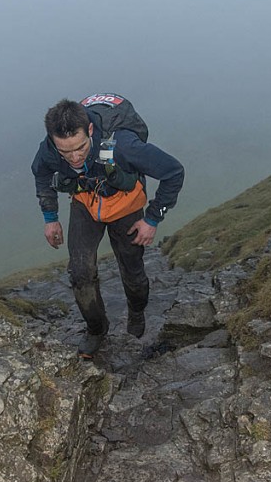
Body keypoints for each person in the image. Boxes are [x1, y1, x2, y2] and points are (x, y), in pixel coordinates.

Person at [31, 94, 184, 359]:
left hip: (125, 205)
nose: (75, 157)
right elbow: (42, 174)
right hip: (85, 204)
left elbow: (173, 172)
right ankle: (96, 329)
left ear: (90, 129)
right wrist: (50, 217)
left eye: (80, 147)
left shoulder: (124, 146)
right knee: (79, 271)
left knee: (132, 269)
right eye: (65, 151)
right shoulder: (49, 149)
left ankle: (136, 312)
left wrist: (151, 219)